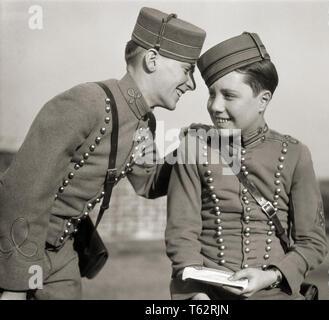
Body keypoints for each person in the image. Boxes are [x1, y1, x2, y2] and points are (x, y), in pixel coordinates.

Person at [0, 7, 206, 300]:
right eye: (187, 70)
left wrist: (188, 151)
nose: (192, 84)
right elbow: (22, 193)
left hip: (62, 256)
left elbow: (148, 184)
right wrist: (15, 286)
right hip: (15, 249)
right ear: (151, 60)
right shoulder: (86, 103)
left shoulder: (144, 121)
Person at [165, 32, 328, 300]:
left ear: (263, 100)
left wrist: (271, 275)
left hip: (275, 292)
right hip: (206, 296)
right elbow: (181, 234)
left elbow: (313, 242)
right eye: (211, 94)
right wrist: (195, 295)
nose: (215, 106)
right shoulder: (193, 148)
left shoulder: (296, 154)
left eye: (229, 95)